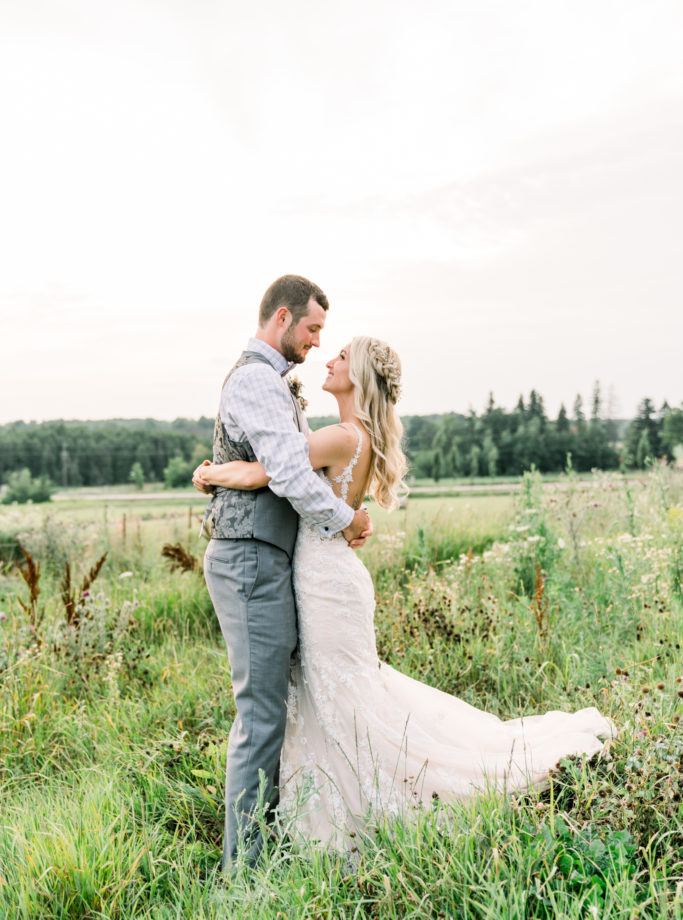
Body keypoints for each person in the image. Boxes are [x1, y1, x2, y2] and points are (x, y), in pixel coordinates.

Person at [196, 335, 616, 852]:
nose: (330, 360)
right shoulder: (358, 435)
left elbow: (268, 470)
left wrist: (211, 472)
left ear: (361, 377)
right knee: (339, 692)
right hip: (330, 575)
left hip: (324, 581)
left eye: (343, 357)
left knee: (343, 696)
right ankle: (331, 801)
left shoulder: (340, 438)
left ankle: (370, 801)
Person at [195, 275, 372, 869]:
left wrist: (216, 472)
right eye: (313, 328)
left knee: (274, 706)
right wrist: (345, 519)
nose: (318, 342)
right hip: (248, 556)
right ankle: (242, 869)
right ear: (281, 319)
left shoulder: (272, 383)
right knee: (262, 712)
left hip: (269, 559)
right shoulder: (255, 380)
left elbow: (275, 471)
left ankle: (273, 840)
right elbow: (292, 475)